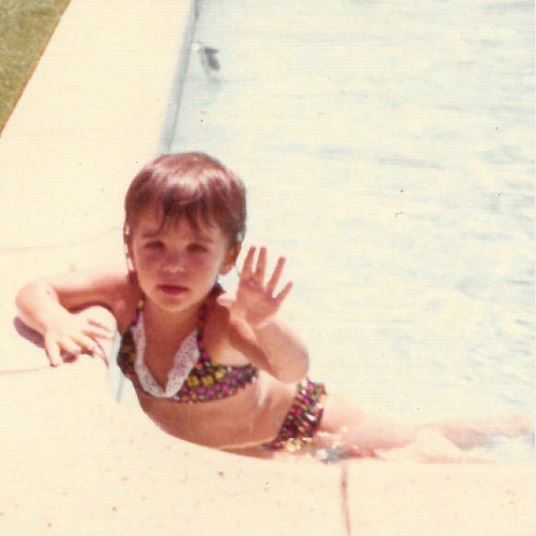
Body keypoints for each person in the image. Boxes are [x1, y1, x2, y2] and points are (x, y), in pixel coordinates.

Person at [15, 152, 531, 462]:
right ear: (129, 243)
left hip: (307, 423)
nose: (173, 266)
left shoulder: (220, 322)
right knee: (412, 447)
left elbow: (292, 368)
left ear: (229, 257)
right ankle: (499, 427)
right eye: (156, 246)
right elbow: (35, 289)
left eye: (197, 250)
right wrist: (56, 320)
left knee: (419, 456)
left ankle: (507, 433)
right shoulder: (125, 292)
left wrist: (264, 321)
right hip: (252, 448)